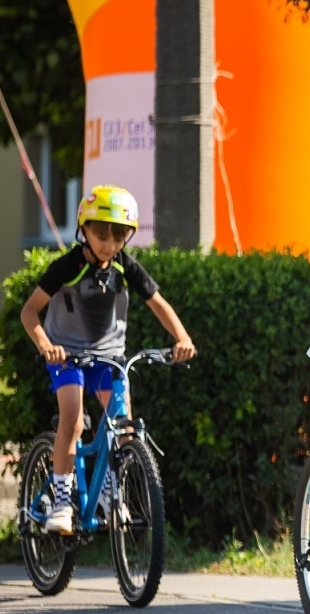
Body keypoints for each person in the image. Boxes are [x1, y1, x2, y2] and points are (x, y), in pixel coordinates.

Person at [19, 185, 197, 534]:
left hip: (109, 357)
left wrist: (182, 338)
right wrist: (45, 346)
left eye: (119, 236)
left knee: (124, 428)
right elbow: (29, 313)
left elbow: (159, 304)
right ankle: (60, 501)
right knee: (71, 420)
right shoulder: (67, 266)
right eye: (101, 233)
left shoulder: (125, 267)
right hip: (66, 355)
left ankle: (108, 491)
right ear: (83, 229)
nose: (109, 243)